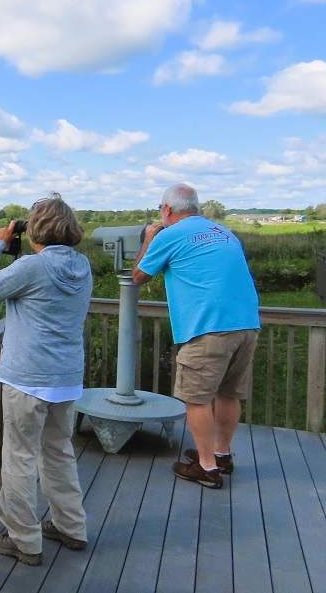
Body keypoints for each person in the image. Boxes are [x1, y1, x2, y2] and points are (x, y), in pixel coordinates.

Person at [0, 193, 91, 566]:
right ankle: (70, 526)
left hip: (27, 380)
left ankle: (23, 539)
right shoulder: (82, 266)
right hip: (65, 378)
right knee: (58, 452)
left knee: (20, 459)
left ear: (36, 230)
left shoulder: (32, 268)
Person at [133, 183, 260, 489]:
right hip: (247, 324)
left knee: (196, 399)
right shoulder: (223, 232)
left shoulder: (170, 234)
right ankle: (221, 455)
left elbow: (138, 275)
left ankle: (207, 468)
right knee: (228, 393)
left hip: (209, 328)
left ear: (166, 210)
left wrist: (150, 238)